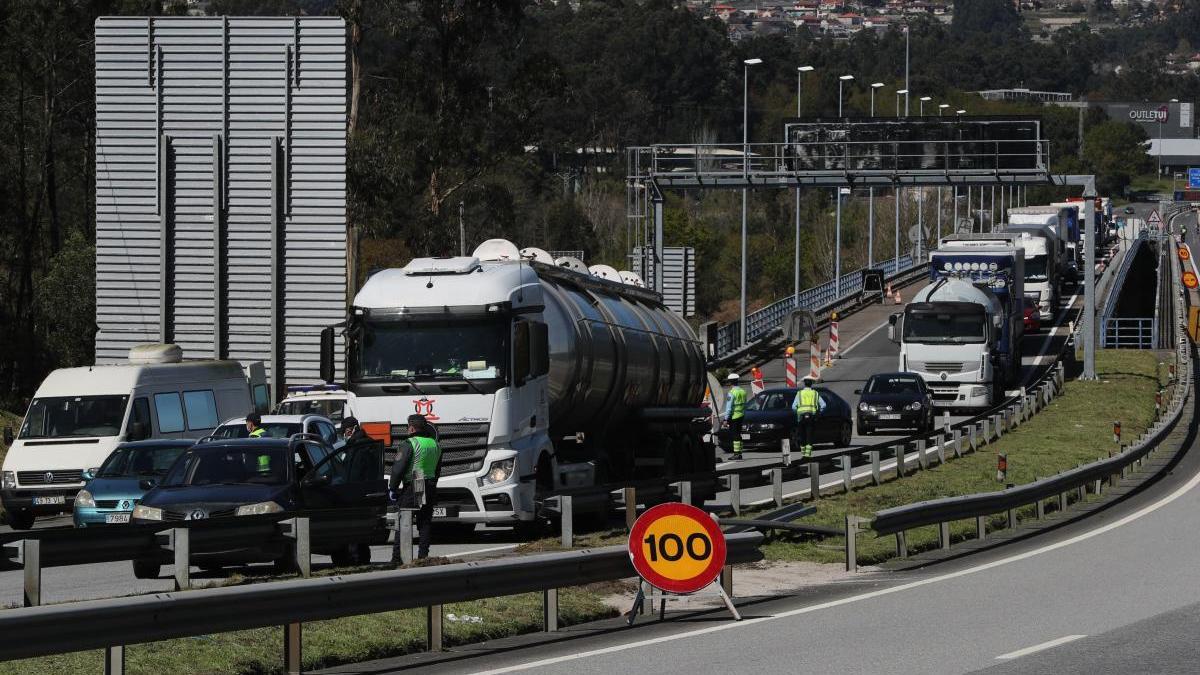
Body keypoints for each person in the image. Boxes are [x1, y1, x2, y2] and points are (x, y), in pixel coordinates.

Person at [389, 414, 442, 560]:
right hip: (429, 484)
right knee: (425, 522)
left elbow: (398, 468)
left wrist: (392, 487)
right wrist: (432, 483)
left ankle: (397, 557)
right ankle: (423, 556)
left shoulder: (409, 443)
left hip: (413, 484)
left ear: (411, 427)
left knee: (404, 520)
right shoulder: (435, 444)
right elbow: (438, 469)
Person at [791, 377, 825, 458]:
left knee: (802, 436)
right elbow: (823, 405)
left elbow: (793, 407)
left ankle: (803, 454)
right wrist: (818, 413)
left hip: (801, 418)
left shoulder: (799, 393)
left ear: (804, 384)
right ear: (811, 384)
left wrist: (798, 413)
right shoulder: (815, 393)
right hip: (811, 417)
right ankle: (808, 455)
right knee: (809, 436)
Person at [723, 373, 747, 460]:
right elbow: (745, 405)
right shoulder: (742, 391)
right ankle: (740, 452)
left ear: (730, 382)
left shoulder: (732, 393)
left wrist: (725, 419)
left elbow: (729, 408)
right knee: (738, 434)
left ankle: (736, 454)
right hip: (741, 415)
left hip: (734, 417)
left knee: (735, 435)